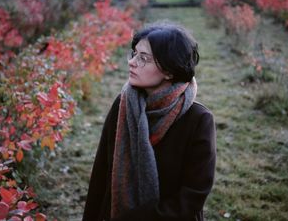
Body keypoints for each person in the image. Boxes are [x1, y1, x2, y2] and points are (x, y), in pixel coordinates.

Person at [82, 21, 216, 221]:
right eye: (134, 54)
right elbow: (101, 173)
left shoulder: (198, 120)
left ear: (170, 70)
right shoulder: (123, 104)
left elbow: (192, 196)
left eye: (143, 58)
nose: (132, 62)